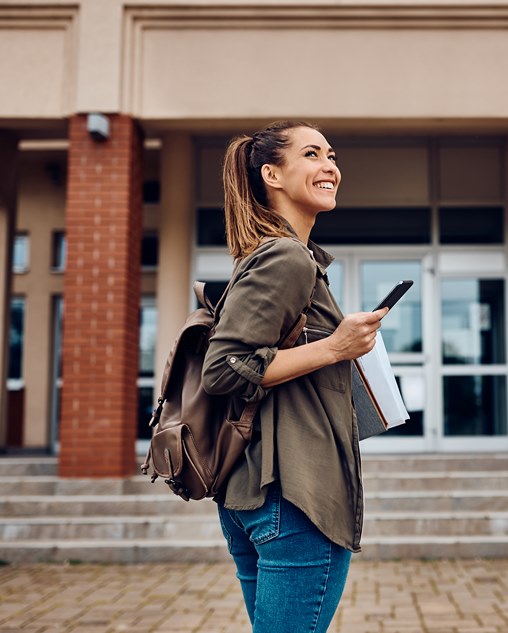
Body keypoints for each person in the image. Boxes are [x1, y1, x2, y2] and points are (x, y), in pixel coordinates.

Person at [201, 120, 385, 632]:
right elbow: (222, 370)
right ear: (272, 175)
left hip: (257, 493)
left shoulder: (266, 255)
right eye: (311, 154)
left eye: (331, 154)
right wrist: (334, 347)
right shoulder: (285, 257)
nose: (329, 166)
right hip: (294, 497)